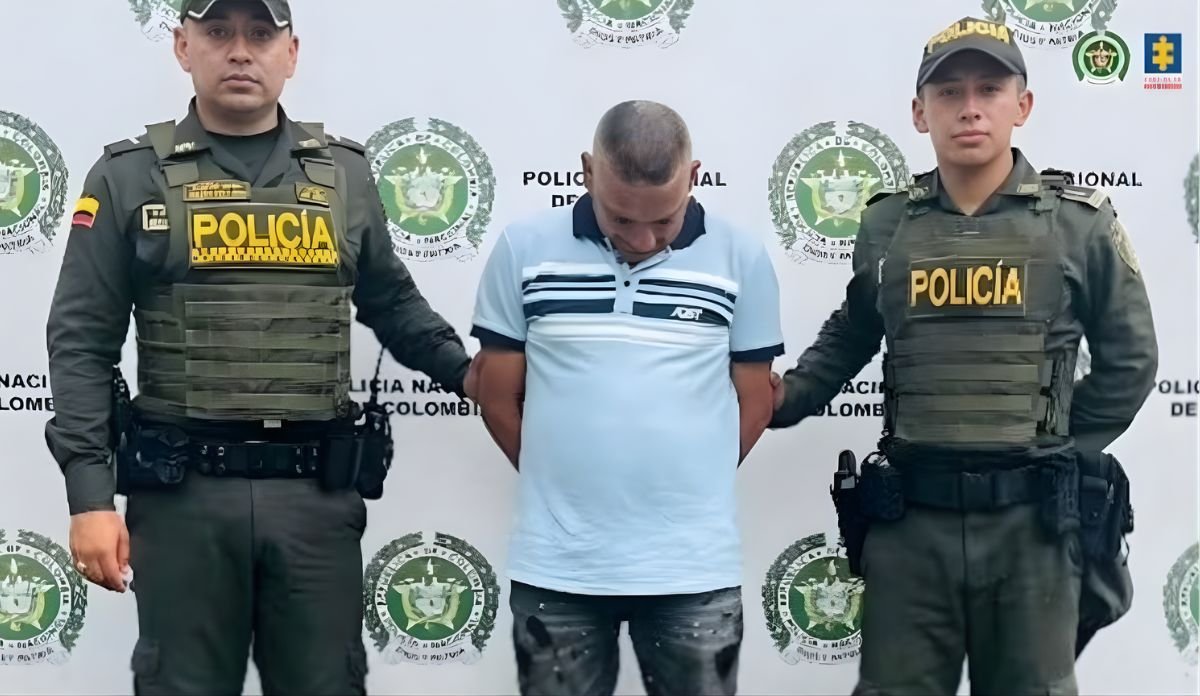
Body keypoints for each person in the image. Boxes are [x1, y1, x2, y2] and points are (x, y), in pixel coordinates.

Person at [44, 1, 472, 693]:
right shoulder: (127, 177)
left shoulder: (344, 175)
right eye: (218, 33)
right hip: (183, 503)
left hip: (314, 502)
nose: (240, 51)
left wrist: (475, 377)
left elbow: (394, 304)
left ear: (291, 53)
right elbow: (81, 341)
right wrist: (89, 498)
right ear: (183, 47)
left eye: (261, 35)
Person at [767, 17, 1157, 696]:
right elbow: (855, 330)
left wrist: (1053, 445)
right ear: (920, 113)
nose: (969, 108)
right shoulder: (886, 223)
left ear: (1022, 105)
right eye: (948, 93)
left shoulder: (1079, 223)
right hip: (911, 527)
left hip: (1032, 529)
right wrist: (785, 398)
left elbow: (1132, 361)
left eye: (988, 89)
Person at [467, 100, 782, 696]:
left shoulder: (742, 257)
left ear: (694, 178)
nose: (642, 239)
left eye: (663, 221)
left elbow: (756, 402)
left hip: (693, 570)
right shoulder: (522, 248)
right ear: (587, 172)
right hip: (557, 570)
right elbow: (497, 396)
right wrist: (560, 482)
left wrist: (692, 478)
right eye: (620, 218)